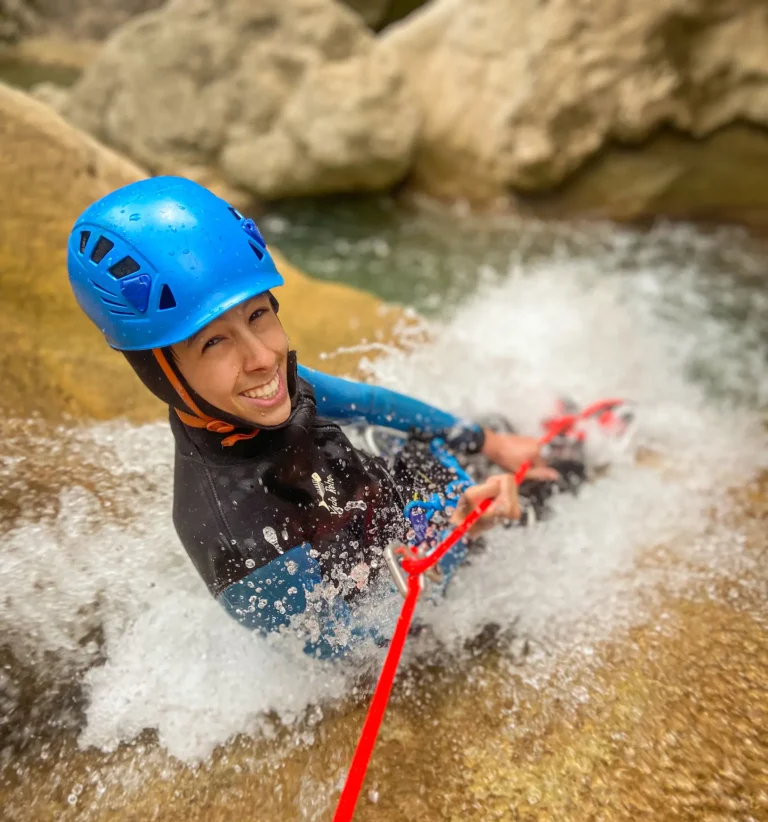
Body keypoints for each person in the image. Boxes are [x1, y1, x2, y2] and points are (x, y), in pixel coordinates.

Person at [67, 177, 562, 656]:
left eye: (258, 315)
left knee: (500, 436)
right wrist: (456, 533)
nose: (263, 358)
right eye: (214, 342)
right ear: (161, 374)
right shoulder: (237, 545)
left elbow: (371, 404)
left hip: (394, 509)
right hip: (417, 572)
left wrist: (485, 440)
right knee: (553, 491)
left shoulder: (262, 388)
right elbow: (356, 652)